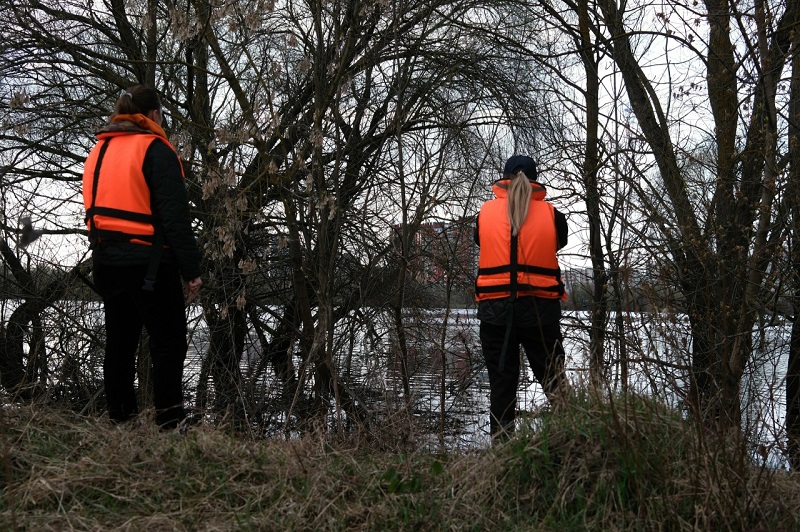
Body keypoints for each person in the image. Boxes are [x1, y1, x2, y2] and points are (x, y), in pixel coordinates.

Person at [82, 85, 203, 429]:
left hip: (106, 262)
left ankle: (121, 422)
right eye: (161, 114)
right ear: (153, 115)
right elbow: (175, 218)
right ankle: (170, 424)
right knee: (169, 345)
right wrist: (191, 271)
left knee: (119, 345)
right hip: (149, 265)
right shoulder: (156, 150)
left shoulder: (99, 150)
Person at [474, 155, 568, 439]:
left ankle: (501, 457)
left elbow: (480, 240)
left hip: (495, 311)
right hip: (541, 311)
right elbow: (559, 242)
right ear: (535, 179)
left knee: (502, 387)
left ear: (504, 178)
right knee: (555, 384)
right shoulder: (555, 216)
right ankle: (572, 445)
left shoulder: (484, 213)